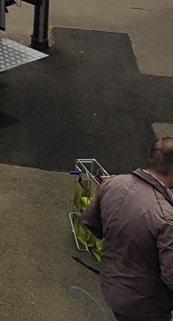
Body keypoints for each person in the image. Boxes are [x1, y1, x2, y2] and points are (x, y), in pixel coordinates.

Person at [80, 136, 173, 321]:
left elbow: (91, 223)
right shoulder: (165, 218)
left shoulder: (113, 183)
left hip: (113, 287)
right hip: (145, 305)